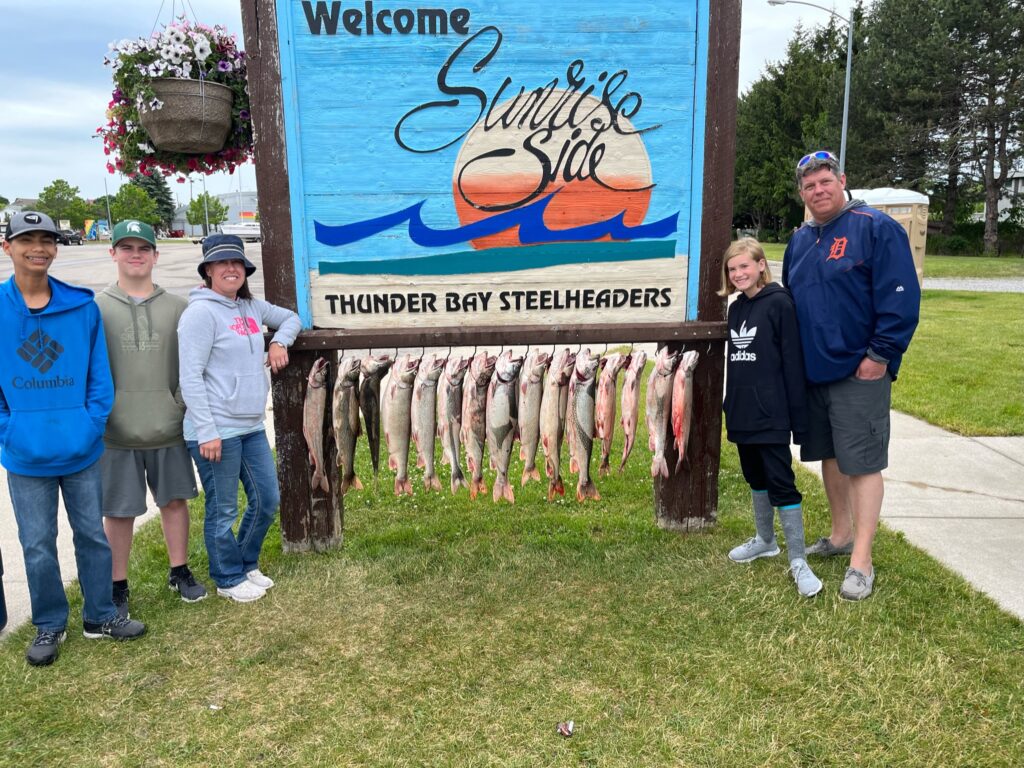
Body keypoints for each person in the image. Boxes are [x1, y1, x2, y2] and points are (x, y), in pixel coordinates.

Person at [0, 211, 145, 666]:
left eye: (47, 239)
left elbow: (98, 379)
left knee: (92, 536)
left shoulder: (81, 308)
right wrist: (9, 429)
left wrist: (90, 424)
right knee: (37, 543)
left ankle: (101, 614)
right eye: (27, 240)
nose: (38, 248)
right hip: (25, 455)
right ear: (8, 247)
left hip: (82, 449)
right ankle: (49, 623)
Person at [783, 150, 921, 601]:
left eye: (825, 181)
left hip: (858, 371)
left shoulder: (875, 228)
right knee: (830, 456)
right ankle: (840, 535)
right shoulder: (801, 240)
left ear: (842, 179)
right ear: (802, 193)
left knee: (862, 463)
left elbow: (901, 297)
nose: (818, 190)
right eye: (809, 186)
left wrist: (879, 355)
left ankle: (861, 561)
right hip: (814, 373)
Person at [177, 234, 300, 603]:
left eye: (237, 264)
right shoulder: (200, 313)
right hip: (215, 430)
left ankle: (245, 563)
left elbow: (291, 318)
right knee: (224, 509)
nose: (231, 269)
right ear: (208, 270)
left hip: (249, 426)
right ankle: (227, 577)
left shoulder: (251, 308)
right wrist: (206, 431)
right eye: (222, 263)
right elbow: (190, 376)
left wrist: (279, 342)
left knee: (267, 499)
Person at [96, 220, 206, 619]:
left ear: (156, 255)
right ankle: (117, 584)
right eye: (126, 248)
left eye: (143, 248)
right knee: (119, 510)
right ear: (113, 254)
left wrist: (179, 405)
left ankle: (179, 570)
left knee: (175, 501)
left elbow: (193, 364)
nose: (135, 255)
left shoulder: (179, 307)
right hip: (117, 430)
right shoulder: (96, 308)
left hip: (167, 425)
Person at [719, 238, 821, 598]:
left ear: (761, 265)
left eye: (744, 266)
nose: (738, 274)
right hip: (743, 413)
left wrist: (798, 419)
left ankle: (798, 560)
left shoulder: (779, 304)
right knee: (755, 477)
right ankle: (765, 540)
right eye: (732, 269)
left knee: (781, 482)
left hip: (772, 414)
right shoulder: (734, 309)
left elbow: (793, 363)